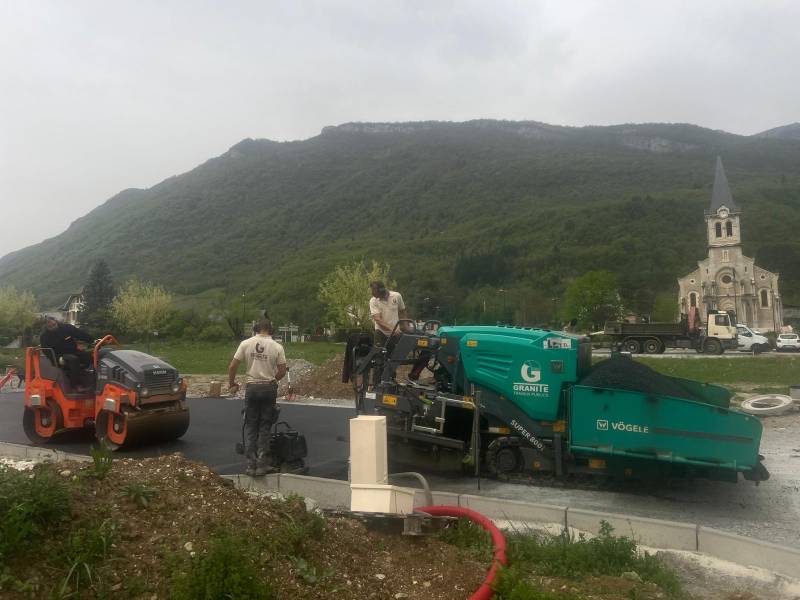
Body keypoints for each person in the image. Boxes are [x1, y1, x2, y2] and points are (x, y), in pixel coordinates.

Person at [227, 318, 287, 477]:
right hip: (268, 389)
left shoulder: (245, 344)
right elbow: (282, 371)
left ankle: (250, 465)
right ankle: (262, 464)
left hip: (252, 388)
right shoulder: (277, 347)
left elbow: (232, 366)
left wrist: (232, 383)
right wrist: (272, 380)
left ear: (256, 329)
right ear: (271, 330)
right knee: (265, 426)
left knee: (251, 425)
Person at [39, 316, 94, 391]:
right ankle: (75, 385)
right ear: (46, 326)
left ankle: (92, 380)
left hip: (73, 352)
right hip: (59, 356)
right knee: (73, 360)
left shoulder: (67, 328)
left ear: (56, 321)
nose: (53, 327)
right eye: (50, 327)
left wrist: (92, 340)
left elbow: (80, 334)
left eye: (54, 325)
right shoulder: (44, 337)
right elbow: (47, 352)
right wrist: (57, 358)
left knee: (90, 356)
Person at [369, 281, 407, 347]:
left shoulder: (397, 296)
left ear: (381, 290)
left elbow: (402, 311)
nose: (372, 293)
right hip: (381, 333)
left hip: (396, 333)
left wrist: (405, 326)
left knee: (396, 354)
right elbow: (378, 319)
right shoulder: (373, 301)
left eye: (374, 291)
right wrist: (393, 329)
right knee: (378, 355)